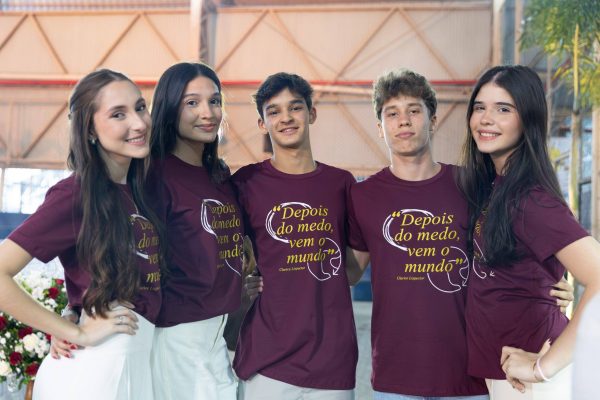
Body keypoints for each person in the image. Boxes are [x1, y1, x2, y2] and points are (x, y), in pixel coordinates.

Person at [0, 69, 165, 400]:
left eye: (140, 107)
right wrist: (73, 331)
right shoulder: (75, 195)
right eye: (118, 114)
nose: (139, 123)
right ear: (89, 129)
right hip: (97, 369)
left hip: (136, 362)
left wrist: (72, 310)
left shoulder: (141, 192)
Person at [458, 65, 600, 399]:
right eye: (479, 107)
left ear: (528, 119)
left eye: (503, 109)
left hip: (528, 380)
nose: (486, 119)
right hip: (503, 373)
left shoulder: (530, 198)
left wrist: (542, 368)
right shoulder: (496, 187)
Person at [347, 69, 489, 400]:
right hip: (396, 377)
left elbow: (504, 254)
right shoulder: (363, 196)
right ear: (380, 128)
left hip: (466, 374)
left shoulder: (471, 185)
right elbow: (350, 273)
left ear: (433, 120)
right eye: (392, 114)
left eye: (414, 110)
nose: (404, 121)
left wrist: (544, 283)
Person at [232, 72, 358, 400]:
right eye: (274, 111)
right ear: (262, 124)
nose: (286, 117)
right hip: (267, 362)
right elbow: (226, 257)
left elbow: (353, 271)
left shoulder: (341, 184)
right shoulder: (246, 183)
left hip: (331, 363)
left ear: (311, 113)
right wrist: (243, 284)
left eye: (295, 107)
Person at [147, 62, 245, 400]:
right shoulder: (152, 175)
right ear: (169, 107)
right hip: (177, 337)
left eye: (214, 101)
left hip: (217, 332)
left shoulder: (218, 174)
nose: (208, 112)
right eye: (192, 102)